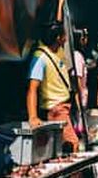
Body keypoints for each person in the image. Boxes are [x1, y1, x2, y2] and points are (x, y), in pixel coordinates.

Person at [27, 22, 80, 152]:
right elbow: (32, 89)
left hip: (64, 106)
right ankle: (74, 173)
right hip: (56, 109)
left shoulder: (58, 50)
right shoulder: (40, 58)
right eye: (64, 34)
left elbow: (58, 22)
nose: (67, 37)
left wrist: (60, 3)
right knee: (72, 144)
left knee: (63, 146)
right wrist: (33, 117)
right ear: (58, 38)